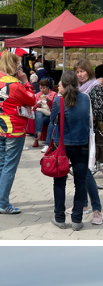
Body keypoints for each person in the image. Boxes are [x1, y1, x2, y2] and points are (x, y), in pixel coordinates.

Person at [0, 51, 36, 214]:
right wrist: (26, 81)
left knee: (1, 161)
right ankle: (2, 203)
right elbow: (31, 99)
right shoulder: (15, 84)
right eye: (17, 64)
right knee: (9, 166)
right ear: (13, 65)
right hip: (14, 128)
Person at [49, 71, 93, 229]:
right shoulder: (86, 98)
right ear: (76, 83)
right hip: (82, 145)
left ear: (63, 83)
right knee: (80, 183)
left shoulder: (59, 100)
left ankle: (59, 218)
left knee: (59, 182)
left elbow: (53, 121)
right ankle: (77, 220)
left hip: (62, 145)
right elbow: (89, 121)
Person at [75, 59, 103, 226]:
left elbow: (100, 111)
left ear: (89, 71)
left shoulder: (95, 87)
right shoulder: (78, 88)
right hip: (78, 132)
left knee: (84, 171)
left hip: (90, 133)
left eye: (82, 71)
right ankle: (83, 204)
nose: (80, 74)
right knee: (79, 170)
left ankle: (96, 209)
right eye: (77, 72)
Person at [33, 78, 56, 148]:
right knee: (38, 113)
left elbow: (55, 107)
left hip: (50, 115)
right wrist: (37, 105)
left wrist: (48, 101)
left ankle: (36, 138)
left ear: (48, 87)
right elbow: (34, 107)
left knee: (38, 118)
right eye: (40, 88)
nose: (42, 90)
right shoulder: (38, 94)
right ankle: (39, 133)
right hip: (41, 115)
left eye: (43, 88)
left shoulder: (53, 94)